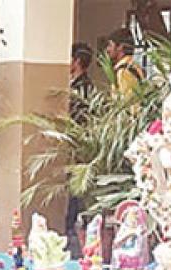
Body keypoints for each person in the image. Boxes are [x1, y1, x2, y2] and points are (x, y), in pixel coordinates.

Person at [66, 43, 94, 253]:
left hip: (78, 145)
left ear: (76, 61)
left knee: (76, 189)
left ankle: (73, 228)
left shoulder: (82, 89)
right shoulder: (78, 85)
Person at [106, 27, 145, 97]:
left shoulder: (123, 72)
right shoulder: (134, 66)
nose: (107, 49)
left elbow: (125, 103)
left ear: (120, 47)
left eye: (110, 45)